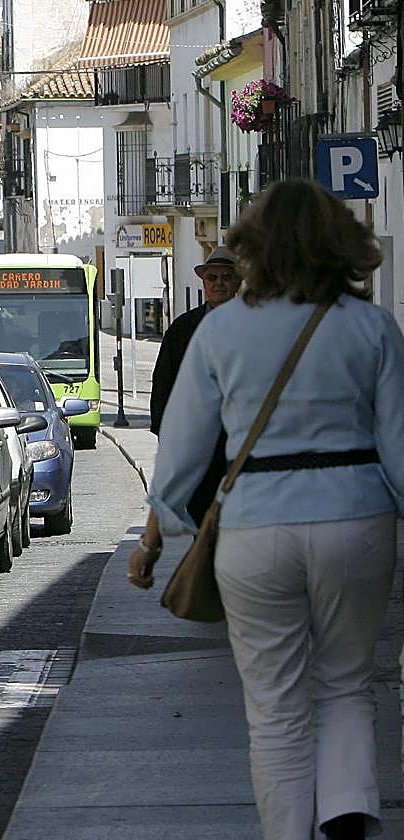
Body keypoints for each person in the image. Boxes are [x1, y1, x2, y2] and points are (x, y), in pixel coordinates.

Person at [127, 179, 404, 840]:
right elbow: (398, 445)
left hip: (253, 527)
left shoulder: (220, 330)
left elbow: (184, 446)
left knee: (275, 705)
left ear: (253, 246)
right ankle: (344, 814)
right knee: (345, 683)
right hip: (354, 516)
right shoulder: (372, 327)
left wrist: (160, 532)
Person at [148, 245, 239, 528]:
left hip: (241, 445)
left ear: (238, 282)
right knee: (203, 521)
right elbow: (163, 385)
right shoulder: (182, 329)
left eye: (226, 277)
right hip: (197, 447)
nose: (219, 283)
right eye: (213, 277)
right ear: (204, 282)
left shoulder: (253, 328)